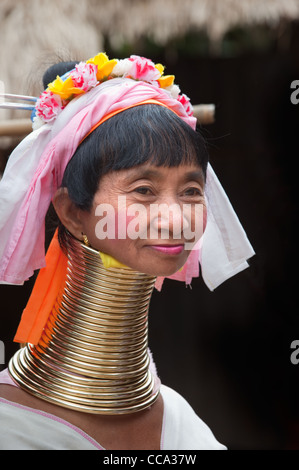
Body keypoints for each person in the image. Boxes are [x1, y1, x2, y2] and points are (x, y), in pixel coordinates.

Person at [0, 53, 254, 450]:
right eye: (143, 191)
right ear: (71, 212)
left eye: (190, 191)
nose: (176, 219)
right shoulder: (9, 427)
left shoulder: (180, 422)